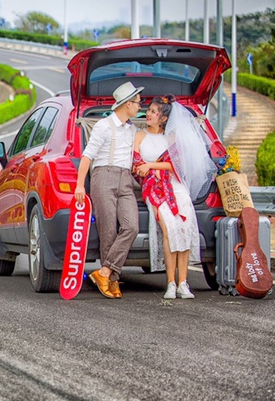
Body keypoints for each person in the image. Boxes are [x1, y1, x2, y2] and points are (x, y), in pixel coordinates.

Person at [133, 95, 217, 299]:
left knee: (186, 227)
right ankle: (170, 282)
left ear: (163, 118)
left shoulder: (171, 138)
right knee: (169, 228)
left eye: (153, 112)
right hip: (154, 187)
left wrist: (151, 165)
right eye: (149, 110)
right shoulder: (139, 136)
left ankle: (183, 283)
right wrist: (149, 169)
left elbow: (175, 165)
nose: (148, 114)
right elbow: (136, 165)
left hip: (176, 186)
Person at [75, 81, 142, 299]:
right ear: (127, 104)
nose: (140, 107)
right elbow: (87, 156)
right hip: (103, 176)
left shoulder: (132, 129)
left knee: (131, 226)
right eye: (138, 103)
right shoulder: (104, 126)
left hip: (125, 180)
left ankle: (105, 271)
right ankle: (112, 281)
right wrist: (79, 185)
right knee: (108, 231)